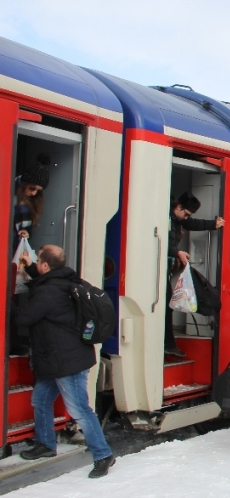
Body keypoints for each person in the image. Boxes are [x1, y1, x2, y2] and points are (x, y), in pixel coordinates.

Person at [15, 245, 115, 478]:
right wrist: (29, 267)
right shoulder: (64, 280)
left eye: (38, 261)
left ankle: (103, 454)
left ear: (46, 266)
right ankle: (46, 445)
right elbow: (45, 285)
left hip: (65, 361)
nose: (37, 264)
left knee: (79, 409)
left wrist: (12, 294)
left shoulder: (48, 292)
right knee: (40, 399)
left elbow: (24, 317)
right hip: (58, 358)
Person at [166, 192, 225, 357]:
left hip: (166, 269)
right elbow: (164, 242)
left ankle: (168, 343)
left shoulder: (177, 218)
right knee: (166, 306)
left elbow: (193, 223)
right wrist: (177, 251)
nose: (186, 218)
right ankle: (168, 344)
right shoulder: (165, 218)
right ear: (178, 207)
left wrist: (213, 224)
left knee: (167, 305)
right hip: (159, 269)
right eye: (185, 214)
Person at [10, 155, 51, 356]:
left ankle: (13, 340)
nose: (33, 193)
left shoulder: (24, 199)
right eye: (32, 188)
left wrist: (24, 235)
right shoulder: (13, 195)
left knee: (15, 297)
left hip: (16, 251)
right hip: (12, 252)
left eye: (37, 191)